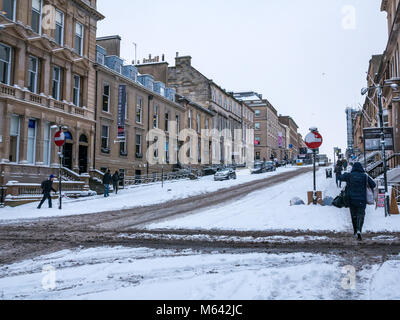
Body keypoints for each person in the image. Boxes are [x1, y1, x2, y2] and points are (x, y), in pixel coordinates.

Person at [339, 162, 376, 241]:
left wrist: (345, 174)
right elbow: (373, 185)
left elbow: (340, 177)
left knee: (354, 216)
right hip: (361, 200)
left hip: (351, 200)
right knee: (361, 215)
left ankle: (355, 231)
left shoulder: (349, 176)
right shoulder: (365, 176)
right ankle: (359, 230)